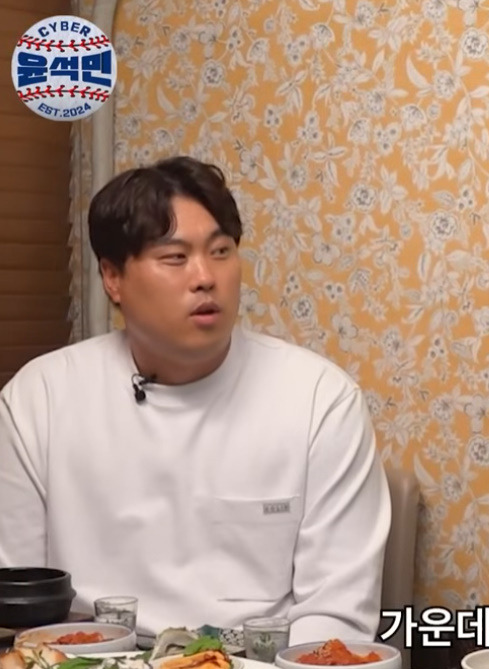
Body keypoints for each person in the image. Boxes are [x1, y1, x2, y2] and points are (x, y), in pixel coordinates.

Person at [0, 156, 391, 644]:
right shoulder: (39, 398)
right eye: (175, 258)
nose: (205, 277)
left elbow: (336, 615)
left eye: (221, 251)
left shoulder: (319, 400)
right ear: (112, 277)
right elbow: (16, 599)